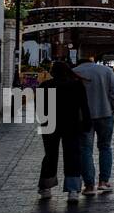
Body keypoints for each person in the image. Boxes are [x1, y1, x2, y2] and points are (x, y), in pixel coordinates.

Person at [38, 60, 91, 202]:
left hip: (50, 125)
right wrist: (86, 124)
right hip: (72, 125)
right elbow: (84, 107)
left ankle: (46, 188)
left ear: (52, 72)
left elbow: (40, 109)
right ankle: (73, 191)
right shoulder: (76, 85)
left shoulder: (45, 86)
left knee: (50, 155)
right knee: (72, 155)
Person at [74, 57, 114, 196]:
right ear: (92, 61)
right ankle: (103, 182)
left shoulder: (74, 72)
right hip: (105, 114)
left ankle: (89, 186)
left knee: (85, 149)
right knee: (105, 147)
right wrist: (112, 109)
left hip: (83, 117)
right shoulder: (106, 71)